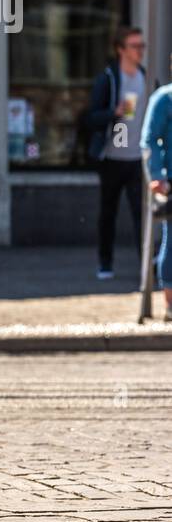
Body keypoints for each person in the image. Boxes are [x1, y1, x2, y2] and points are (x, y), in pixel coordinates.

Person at [86, 26, 156, 279]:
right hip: (112, 158)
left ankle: (145, 265)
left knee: (142, 213)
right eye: (135, 46)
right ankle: (105, 263)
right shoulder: (109, 78)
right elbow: (91, 117)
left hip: (137, 158)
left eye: (142, 46)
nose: (140, 51)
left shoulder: (145, 78)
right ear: (120, 50)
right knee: (109, 212)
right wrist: (112, 113)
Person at [141, 65, 172, 317]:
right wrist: (158, 175)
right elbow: (150, 139)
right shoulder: (164, 97)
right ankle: (171, 303)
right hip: (171, 179)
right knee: (171, 241)